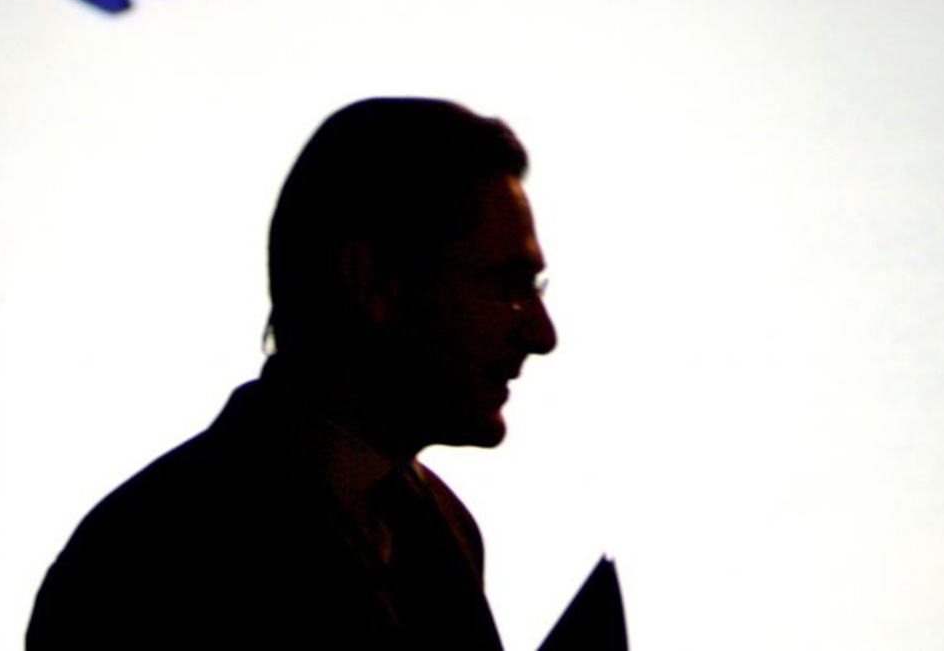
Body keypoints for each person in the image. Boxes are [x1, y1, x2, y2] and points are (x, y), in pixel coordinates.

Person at [28, 97, 558, 650]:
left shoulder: (442, 530)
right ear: (374, 281)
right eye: (509, 287)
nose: (542, 334)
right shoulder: (146, 557)